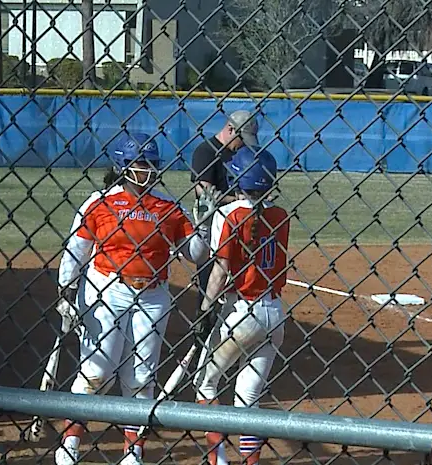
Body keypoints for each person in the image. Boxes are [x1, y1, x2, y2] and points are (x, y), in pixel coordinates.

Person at [54, 132, 215, 465]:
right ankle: (70, 444)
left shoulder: (169, 207)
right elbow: (76, 251)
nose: (147, 170)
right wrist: (66, 292)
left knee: (141, 376)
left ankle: (133, 451)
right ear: (123, 165)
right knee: (96, 370)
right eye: (140, 164)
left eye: (151, 164)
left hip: (153, 295)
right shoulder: (99, 203)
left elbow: (195, 254)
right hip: (107, 290)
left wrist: (202, 221)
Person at [192, 146, 289, 465]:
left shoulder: (229, 215)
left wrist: (206, 309)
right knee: (249, 398)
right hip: (274, 314)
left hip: (240, 312)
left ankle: (216, 460)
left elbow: (219, 269)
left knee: (205, 383)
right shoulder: (281, 216)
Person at [190, 110, 261, 345]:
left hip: (237, 229)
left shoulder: (240, 153)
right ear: (230, 130)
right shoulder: (205, 151)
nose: (242, 146)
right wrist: (239, 201)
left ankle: (228, 336)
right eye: (241, 139)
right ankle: (203, 337)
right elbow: (203, 191)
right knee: (210, 281)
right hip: (213, 230)